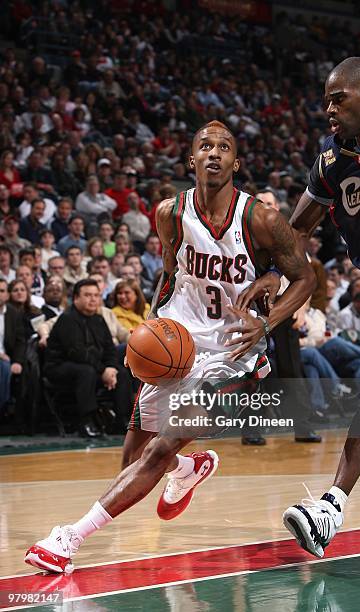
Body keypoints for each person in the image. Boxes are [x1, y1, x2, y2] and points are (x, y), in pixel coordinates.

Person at [25, 121, 315, 573]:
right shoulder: (168, 213)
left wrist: (268, 322)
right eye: (205, 146)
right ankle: (187, 468)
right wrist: (151, 329)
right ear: (191, 160)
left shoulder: (261, 218)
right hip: (178, 338)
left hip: (231, 350)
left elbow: (305, 277)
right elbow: (170, 273)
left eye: (223, 147)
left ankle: (67, 538)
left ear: (236, 163)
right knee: (134, 458)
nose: (214, 153)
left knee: (157, 449)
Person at [278, 57, 360, 557]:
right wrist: (275, 273)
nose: (328, 108)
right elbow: (297, 231)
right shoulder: (331, 161)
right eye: (326, 100)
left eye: (339, 98)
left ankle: (331, 504)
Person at [41, 279, 133, 439]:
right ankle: (86, 421)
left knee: (122, 373)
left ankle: (121, 420)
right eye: (88, 295)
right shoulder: (67, 319)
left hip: (91, 367)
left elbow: (109, 349)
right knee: (86, 372)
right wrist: (103, 370)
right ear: (76, 298)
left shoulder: (98, 319)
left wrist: (110, 367)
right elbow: (77, 353)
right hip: (59, 368)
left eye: (96, 295)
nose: (93, 299)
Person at [0, 279, 25, 412]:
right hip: (2, 359)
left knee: (7, 367)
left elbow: (20, 341)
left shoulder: (13, 314)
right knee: (3, 367)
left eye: (2, 291)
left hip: (7, 358)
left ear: (7, 295)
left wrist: (18, 361)